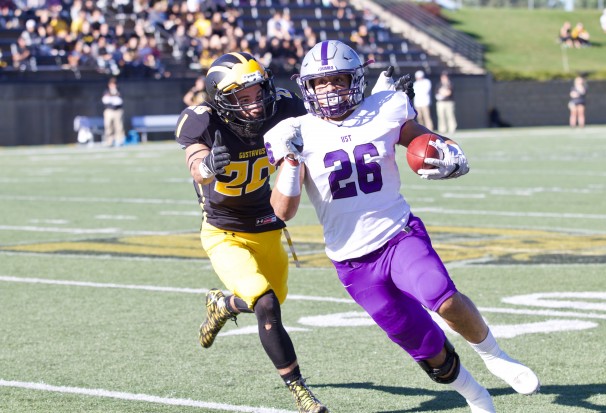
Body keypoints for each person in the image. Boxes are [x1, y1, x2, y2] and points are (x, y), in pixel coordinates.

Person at [265, 40, 540, 413]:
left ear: (356, 80)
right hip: (351, 262)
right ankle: (475, 394)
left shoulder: (386, 108)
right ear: (307, 87)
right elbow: (282, 211)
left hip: (398, 235)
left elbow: (430, 142)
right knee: (426, 348)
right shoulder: (293, 131)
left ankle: (494, 355)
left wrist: (448, 157)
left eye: (338, 79)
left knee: (441, 296)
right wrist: (292, 161)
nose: (329, 89)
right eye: (320, 82)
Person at [173, 51, 408, 413]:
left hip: (269, 225)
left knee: (268, 299)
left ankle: (223, 304)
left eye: (257, 92)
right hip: (225, 231)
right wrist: (207, 164)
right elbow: (196, 166)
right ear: (222, 99)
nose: (253, 104)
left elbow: (334, 118)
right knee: (266, 304)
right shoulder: (202, 119)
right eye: (242, 97)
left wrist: (378, 98)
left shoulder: (283, 107)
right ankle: (300, 391)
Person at [101, 77, 125, 147]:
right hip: (109, 111)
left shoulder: (119, 91)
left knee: (119, 126)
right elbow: (105, 100)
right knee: (108, 126)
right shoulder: (106, 91)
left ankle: (119, 141)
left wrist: (112, 97)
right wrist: (112, 98)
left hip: (117, 111)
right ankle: (109, 141)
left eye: (114, 84)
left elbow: (119, 101)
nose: (113, 86)